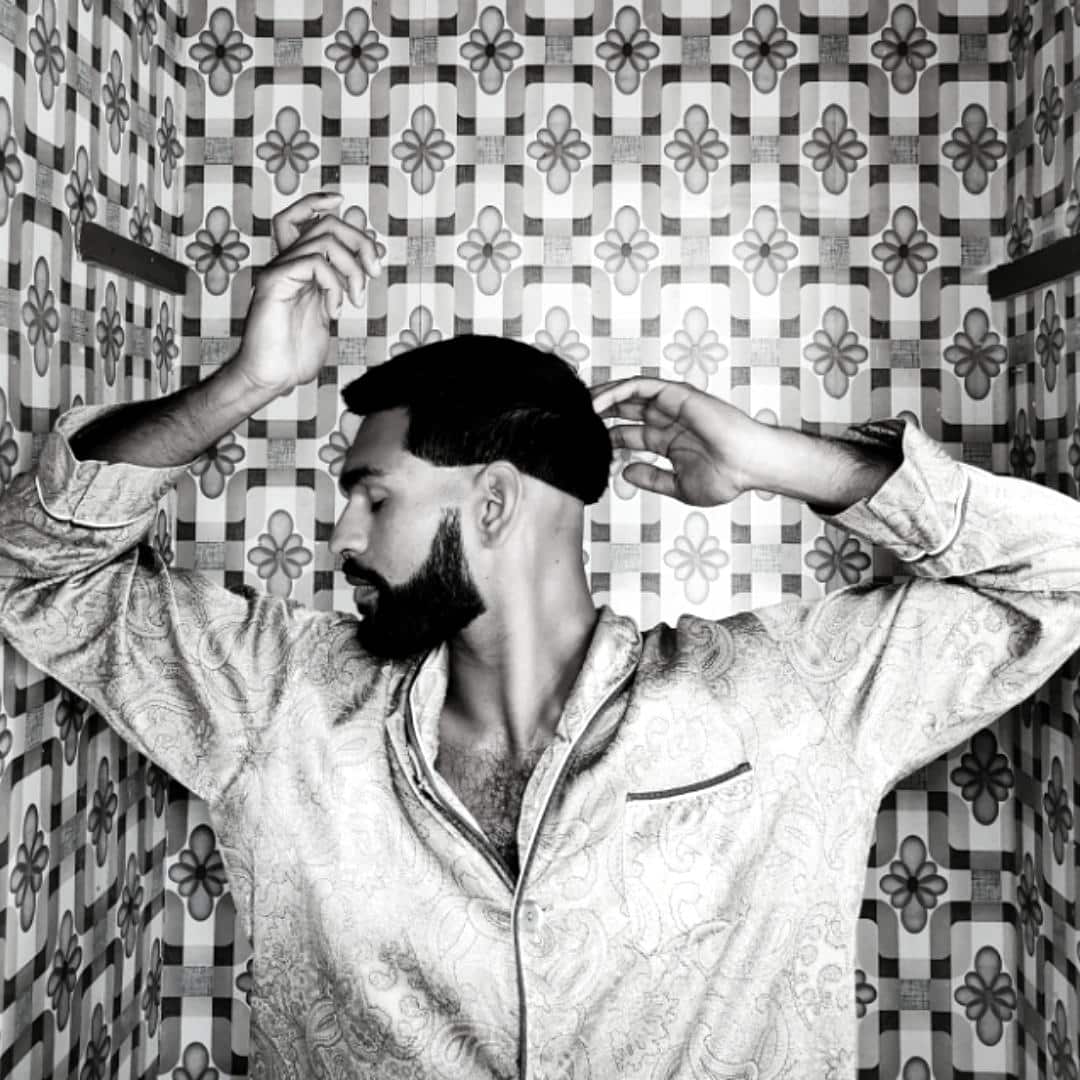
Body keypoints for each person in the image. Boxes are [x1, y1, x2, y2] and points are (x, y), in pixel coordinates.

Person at [1, 189, 1078, 1080]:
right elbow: (32, 572)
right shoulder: (280, 703)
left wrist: (781, 461)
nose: (343, 535)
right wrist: (244, 384)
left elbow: (1063, 578)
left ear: (495, 503)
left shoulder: (787, 701)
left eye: (374, 494)